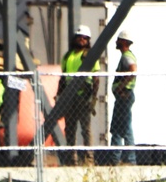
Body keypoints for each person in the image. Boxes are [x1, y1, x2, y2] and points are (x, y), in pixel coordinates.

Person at [57, 24, 100, 165]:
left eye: (85, 38)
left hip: (83, 95)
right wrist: (59, 94)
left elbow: (96, 78)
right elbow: (63, 78)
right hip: (69, 96)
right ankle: (72, 158)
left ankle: (89, 158)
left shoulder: (90, 55)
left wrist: (94, 97)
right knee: (70, 129)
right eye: (79, 37)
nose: (82, 39)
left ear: (88, 40)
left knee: (85, 129)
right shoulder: (67, 56)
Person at [109, 30, 137, 163]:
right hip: (124, 96)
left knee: (120, 128)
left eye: (118, 39)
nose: (116, 42)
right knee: (125, 127)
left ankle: (118, 159)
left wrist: (120, 87)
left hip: (124, 96)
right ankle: (128, 159)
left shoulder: (126, 56)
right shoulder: (125, 56)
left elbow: (133, 70)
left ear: (124, 42)